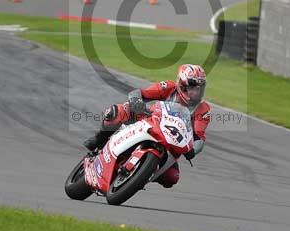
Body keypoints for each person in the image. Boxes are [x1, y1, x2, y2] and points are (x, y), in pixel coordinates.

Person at [82, 64, 211, 188]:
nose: (196, 92)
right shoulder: (169, 87)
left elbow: (199, 137)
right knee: (118, 111)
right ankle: (100, 140)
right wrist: (137, 102)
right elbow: (139, 93)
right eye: (193, 87)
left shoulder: (203, 109)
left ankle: (141, 175)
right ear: (182, 84)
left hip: (172, 142)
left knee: (172, 177)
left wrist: (193, 149)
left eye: (200, 87)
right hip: (151, 121)